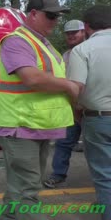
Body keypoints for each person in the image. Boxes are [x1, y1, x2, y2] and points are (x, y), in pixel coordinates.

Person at [0, 0, 79, 220]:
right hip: (21, 126)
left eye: (57, 17)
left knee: (18, 189)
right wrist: (69, 86)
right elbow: (31, 78)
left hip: (36, 126)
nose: (55, 22)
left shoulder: (42, 43)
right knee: (27, 192)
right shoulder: (16, 41)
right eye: (51, 16)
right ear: (33, 14)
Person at [68, 5, 111, 220]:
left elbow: (76, 89)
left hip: (99, 119)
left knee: (105, 176)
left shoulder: (82, 50)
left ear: (86, 27)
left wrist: (77, 113)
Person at [43, 20, 86, 189]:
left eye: (75, 32)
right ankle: (58, 175)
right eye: (68, 33)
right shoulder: (65, 56)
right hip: (72, 108)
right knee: (64, 143)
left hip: (92, 109)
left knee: (97, 148)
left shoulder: (91, 51)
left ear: (84, 32)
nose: (71, 35)